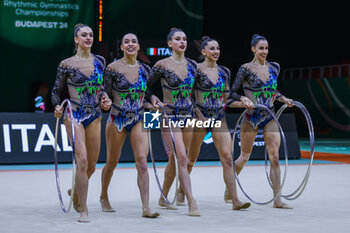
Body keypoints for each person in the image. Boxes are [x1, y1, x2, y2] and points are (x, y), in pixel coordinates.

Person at [176, 36, 251, 210]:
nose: (216, 51)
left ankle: (235, 200)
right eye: (212, 49)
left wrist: (243, 103)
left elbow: (227, 98)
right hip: (199, 119)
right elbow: (186, 96)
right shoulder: (195, 70)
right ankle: (181, 190)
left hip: (218, 119)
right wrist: (198, 114)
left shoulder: (224, 71)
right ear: (203, 52)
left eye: (217, 48)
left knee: (227, 158)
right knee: (191, 159)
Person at [52, 23, 112, 222]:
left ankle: (76, 192)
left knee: (92, 165)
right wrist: (58, 106)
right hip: (74, 114)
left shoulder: (100, 61)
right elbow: (55, 91)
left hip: (94, 115)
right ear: (76, 39)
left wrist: (105, 98)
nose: (88, 38)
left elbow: (100, 87)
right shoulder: (66, 64)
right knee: (82, 161)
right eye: (84, 35)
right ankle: (83, 209)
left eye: (91, 35)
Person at [225, 34, 293, 209]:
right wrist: (243, 100)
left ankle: (277, 199)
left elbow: (272, 90)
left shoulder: (274, 67)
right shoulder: (246, 68)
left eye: (266, 48)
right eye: (261, 48)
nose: (264, 51)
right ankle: (230, 186)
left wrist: (282, 97)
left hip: (270, 116)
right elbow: (232, 92)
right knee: (244, 157)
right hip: (251, 117)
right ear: (253, 49)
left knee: (275, 157)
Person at [99, 33, 160, 218]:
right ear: (122, 47)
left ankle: (146, 208)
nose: (130, 44)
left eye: (134, 41)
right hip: (117, 119)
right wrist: (104, 100)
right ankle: (103, 196)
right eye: (127, 42)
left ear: (138, 47)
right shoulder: (112, 68)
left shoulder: (145, 69)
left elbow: (146, 91)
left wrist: (153, 99)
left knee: (142, 161)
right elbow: (104, 91)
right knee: (112, 162)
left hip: (140, 118)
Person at [146, 27, 200, 216]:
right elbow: (144, 87)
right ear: (170, 44)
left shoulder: (193, 65)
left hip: (189, 116)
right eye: (177, 39)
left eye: (184, 38)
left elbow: (198, 90)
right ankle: (192, 200)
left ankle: (163, 196)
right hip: (169, 115)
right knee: (182, 157)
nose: (182, 42)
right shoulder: (162, 65)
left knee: (175, 158)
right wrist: (152, 99)